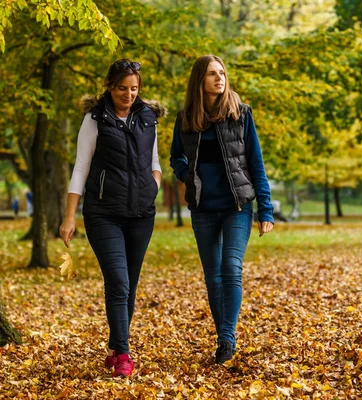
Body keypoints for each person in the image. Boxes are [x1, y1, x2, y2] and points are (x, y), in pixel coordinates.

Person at [59, 59, 166, 377]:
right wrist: (69, 216)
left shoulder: (148, 117)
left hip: (141, 215)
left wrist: (153, 187)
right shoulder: (95, 118)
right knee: (118, 281)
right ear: (110, 86)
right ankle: (124, 354)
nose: (129, 94)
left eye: (134, 89)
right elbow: (81, 166)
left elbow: (155, 160)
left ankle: (114, 346)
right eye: (122, 88)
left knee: (129, 286)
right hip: (103, 213)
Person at [170, 55, 274, 364]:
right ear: (200, 80)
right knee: (212, 276)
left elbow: (256, 161)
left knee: (231, 267)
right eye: (213, 74)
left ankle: (227, 336)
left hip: (236, 205)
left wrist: (266, 209)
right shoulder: (186, 118)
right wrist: (186, 174)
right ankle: (223, 339)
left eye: (223, 73)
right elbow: (177, 156)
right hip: (203, 207)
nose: (220, 78)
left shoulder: (240, 114)